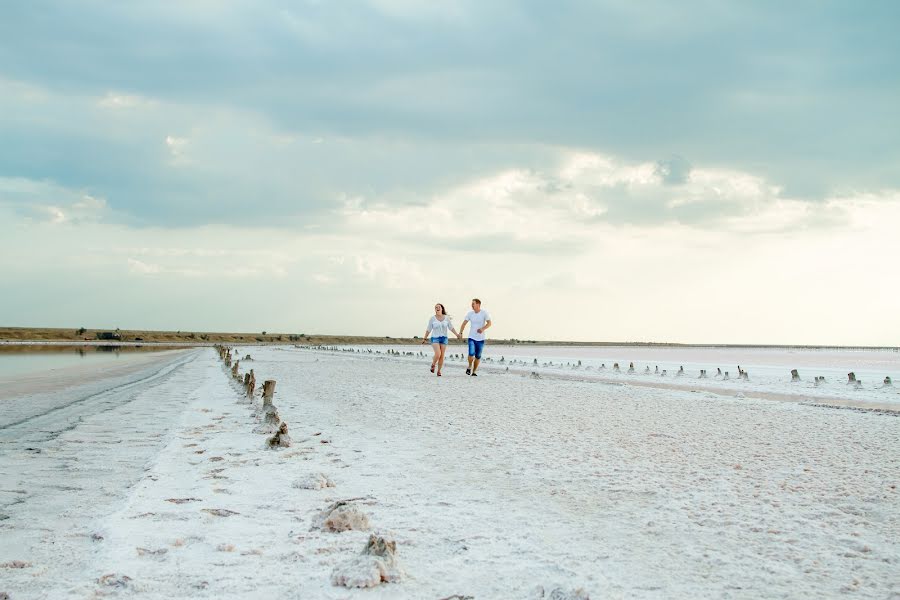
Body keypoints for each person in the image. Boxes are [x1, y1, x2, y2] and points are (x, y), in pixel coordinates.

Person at [421, 303, 459, 377]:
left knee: (442, 356)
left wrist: (457, 334)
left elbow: (451, 327)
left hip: (444, 338)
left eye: (439, 307)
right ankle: (433, 364)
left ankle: (439, 371)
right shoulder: (432, 318)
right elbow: (428, 329)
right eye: (436, 307)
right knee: (438, 354)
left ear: (442, 309)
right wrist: (424, 338)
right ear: (435, 310)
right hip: (435, 338)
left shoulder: (446, 318)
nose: (437, 308)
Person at [458, 298, 492, 376]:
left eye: (473, 303)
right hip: (471, 337)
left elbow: (489, 323)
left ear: (478, 304)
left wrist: (482, 329)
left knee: (478, 356)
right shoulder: (470, 314)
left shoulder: (484, 313)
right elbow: (464, 323)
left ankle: (474, 372)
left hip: (481, 338)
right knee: (471, 353)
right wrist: (461, 332)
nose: (472, 305)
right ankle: (469, 366)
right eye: (472, 303)